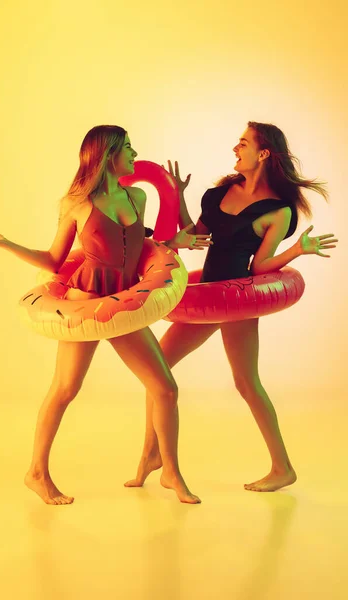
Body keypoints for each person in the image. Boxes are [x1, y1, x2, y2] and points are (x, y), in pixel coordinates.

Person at [0, 125, 212, 505]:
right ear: (108, 154)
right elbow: (52, 260)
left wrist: (172, 243)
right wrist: (5, 243)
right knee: (65, 390)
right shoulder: (76, 204)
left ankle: (170, 473)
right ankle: (36, 473)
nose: (134, 153)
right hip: (84, 304)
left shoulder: (137, 196)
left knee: (165, 389)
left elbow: (139, 246)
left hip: (124, 304)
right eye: (128, 147)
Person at [125, 121, 338, 493]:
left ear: (264, 153)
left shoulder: (279, 211)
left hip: (237, 299)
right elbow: (199, 234)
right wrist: (179, 197)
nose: (235, 149)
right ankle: (151, 455)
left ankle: (282, 467)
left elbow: (260, 266)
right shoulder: (220, 192)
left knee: (246, 383)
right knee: (157, 370)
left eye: (243, 143)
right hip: (206, 296)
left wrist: (298, 250)